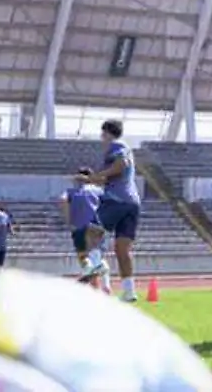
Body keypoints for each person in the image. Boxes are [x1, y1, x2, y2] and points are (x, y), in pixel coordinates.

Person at [84, 119, 142, 302]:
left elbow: (120, 165)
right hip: (132, 202)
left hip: (117, 200)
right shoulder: (124, 148)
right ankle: (129, 291)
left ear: (107, 132)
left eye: (102, 134)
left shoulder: (116, 146)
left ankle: (97, 265)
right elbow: (113, 176)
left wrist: (98, 175)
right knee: (122, 248)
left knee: (90, 232)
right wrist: (92, 179)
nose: (101, 138)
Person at [58, 172, 108, 287]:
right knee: (96, 251)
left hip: (80, 226)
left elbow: (62, 200)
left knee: (83, 254)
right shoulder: (98, 190)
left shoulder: (71, 191)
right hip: (97, 225)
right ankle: (100, 274)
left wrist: (69, 219)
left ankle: (89, 267)